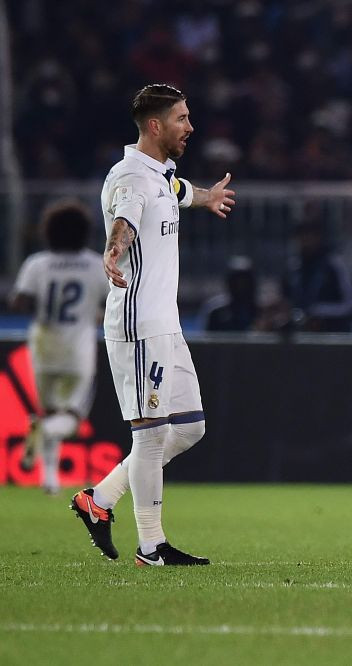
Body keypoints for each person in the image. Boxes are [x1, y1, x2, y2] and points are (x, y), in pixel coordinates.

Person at [70, 84, 236, 565]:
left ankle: (98, 500)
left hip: (166, 325)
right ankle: (151, 546)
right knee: (149, 434)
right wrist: (112, 250)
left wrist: (206, 198)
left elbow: (179, 193)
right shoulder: (130, 177)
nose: (191, 126)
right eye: (182, 118)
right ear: (156, 125)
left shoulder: (160, 176)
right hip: (139, 325)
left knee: (189, 428)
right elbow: (125, 221)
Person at [8, 201, 108, 495]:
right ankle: (45, 433)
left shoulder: (38, 263)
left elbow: (18, 302)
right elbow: (111, 302)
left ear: (48, 232)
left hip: (42, 344)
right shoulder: (94, 264)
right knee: (71, 419)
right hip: (77, 348)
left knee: (49, 409)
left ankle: (49, 479)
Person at [282, 220, 352, 332]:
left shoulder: (334, 264)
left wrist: (318, 311)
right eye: (301, 235)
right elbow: (286, 300)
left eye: (310, 234)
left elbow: (350, 303)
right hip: (301, 334)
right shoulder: (294, 266)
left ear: (319, 237)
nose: (305, 239)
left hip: (334, 333)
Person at [200, 256, 260, 332]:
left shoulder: (262, 311)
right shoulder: (217, 312)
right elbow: (206, 339)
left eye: (246, 282)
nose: (241, 287)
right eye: (237, 283)